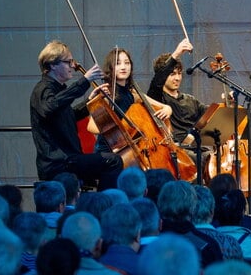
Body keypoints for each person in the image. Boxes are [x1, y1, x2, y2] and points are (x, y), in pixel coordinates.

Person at [30, 40, 123, 189]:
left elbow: (70, 116)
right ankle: (104, 205)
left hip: (68, 159)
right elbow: (50, 107)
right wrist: (84, 81)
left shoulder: (57, 90)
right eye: (68, 62)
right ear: (53, 65)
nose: (73, 66)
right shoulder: (43, 89)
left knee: (112, 161)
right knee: (113, 161)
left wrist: (90, 101)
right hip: (58, 163)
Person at [86, 47, 172, 154]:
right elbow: (92, 127)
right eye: (118, 63)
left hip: (129, 150)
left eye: (127, 63)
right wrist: (120, 130)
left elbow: (163, 107)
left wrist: (168, 109)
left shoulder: (133, 92)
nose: (123, 67)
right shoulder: (107, 93)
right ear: (111, 68)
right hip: (109, 153)